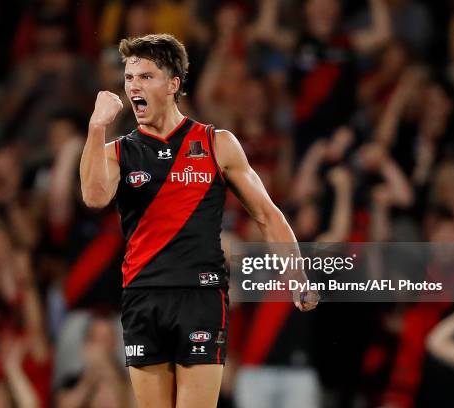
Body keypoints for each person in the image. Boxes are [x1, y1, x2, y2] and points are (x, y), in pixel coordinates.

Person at [79, 33, 318, 408]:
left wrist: (297, 275)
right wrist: (96, 128)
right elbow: (94, 197)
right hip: (143, 295)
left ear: (173, 85)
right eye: (129, 78)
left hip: (200, 296)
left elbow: (267, 214)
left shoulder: (215, 143)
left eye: (145, 76)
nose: (133, 86)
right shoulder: (117, 151)